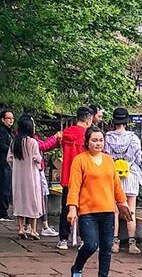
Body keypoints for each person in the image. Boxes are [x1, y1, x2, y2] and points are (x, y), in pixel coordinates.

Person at [67, 127, 130, 277]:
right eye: (94, 140)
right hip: (88, 211)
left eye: (101, 140)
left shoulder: (108, 160)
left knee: (106, 248)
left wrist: (123, 203)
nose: (98, 143)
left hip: (108, 210)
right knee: (90, 244)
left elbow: (116, 185)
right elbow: (74, 186)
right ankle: (77, 267)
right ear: (87, 142)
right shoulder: (80, 160)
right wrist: (72, 208)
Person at [8, 115, 62, 239]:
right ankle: (33, 230)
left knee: (19, 200)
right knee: (34, 200)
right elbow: (37, 159)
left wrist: (16, 166)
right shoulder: (32, 142)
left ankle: (21, 228)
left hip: (17, 176)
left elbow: (9, 158)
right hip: (31, 175)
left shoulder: (14, 141)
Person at [105, 108, 142, 254]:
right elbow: (138, 159)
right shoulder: (134, 138)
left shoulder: (107, 137)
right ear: (127, 120)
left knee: (115, 211)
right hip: (131, 174)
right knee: (130, 210)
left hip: (114, 175)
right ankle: (132, 243)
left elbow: (106, 156)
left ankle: (114, 243)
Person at [58, 106, 95, 249]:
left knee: (66, 208)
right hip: (83, 177)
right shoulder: (87, 136)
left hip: (67, 176)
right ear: (89, 119)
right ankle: (84, 239)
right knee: (85, 209)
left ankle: (63, 239)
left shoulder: (66, 133)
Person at [0, 110, 16, 221]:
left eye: (12, 119)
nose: (11, 121)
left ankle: (3, 211)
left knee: (6, 187)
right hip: (2, 162)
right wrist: (13, 150)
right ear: (2, 119)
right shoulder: (1, 131)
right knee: (4, 188)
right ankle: (2, 213)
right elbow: (1, 146)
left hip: (6, 163)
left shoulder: (9, 132)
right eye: (8, 118)